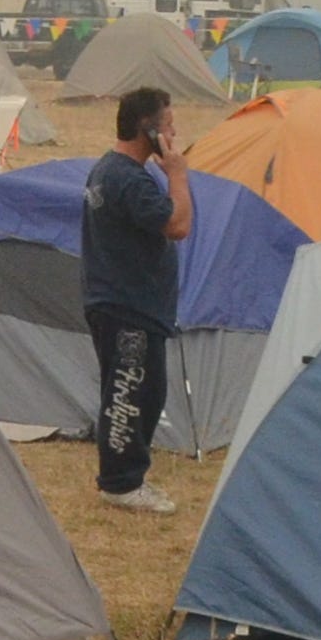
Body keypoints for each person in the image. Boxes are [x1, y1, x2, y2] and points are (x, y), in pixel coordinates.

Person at [77, 84, 195, 513]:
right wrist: (178, 174)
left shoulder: (108, 170)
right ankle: (122, 484)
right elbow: (178, 225)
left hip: (123, 303)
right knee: (131, 394)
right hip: (128, 307)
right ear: (148, 130)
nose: (174, 130)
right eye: (168, 124)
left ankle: (126, 477)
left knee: (144, 391)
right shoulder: (128, 180)